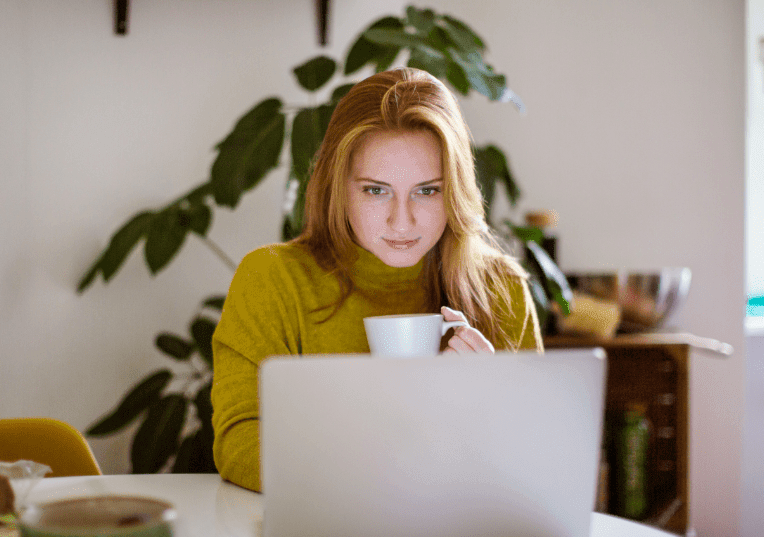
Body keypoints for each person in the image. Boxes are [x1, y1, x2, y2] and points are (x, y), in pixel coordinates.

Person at [210, 67, 542, 492]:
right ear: (339, 187)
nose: (401, 221)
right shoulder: (272, 280)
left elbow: (533, 462)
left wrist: (487, 408)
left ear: (455, 189)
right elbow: (239, 444)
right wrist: (381, 471)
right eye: (375, 190)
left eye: (427, 191)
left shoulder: (501, 289)